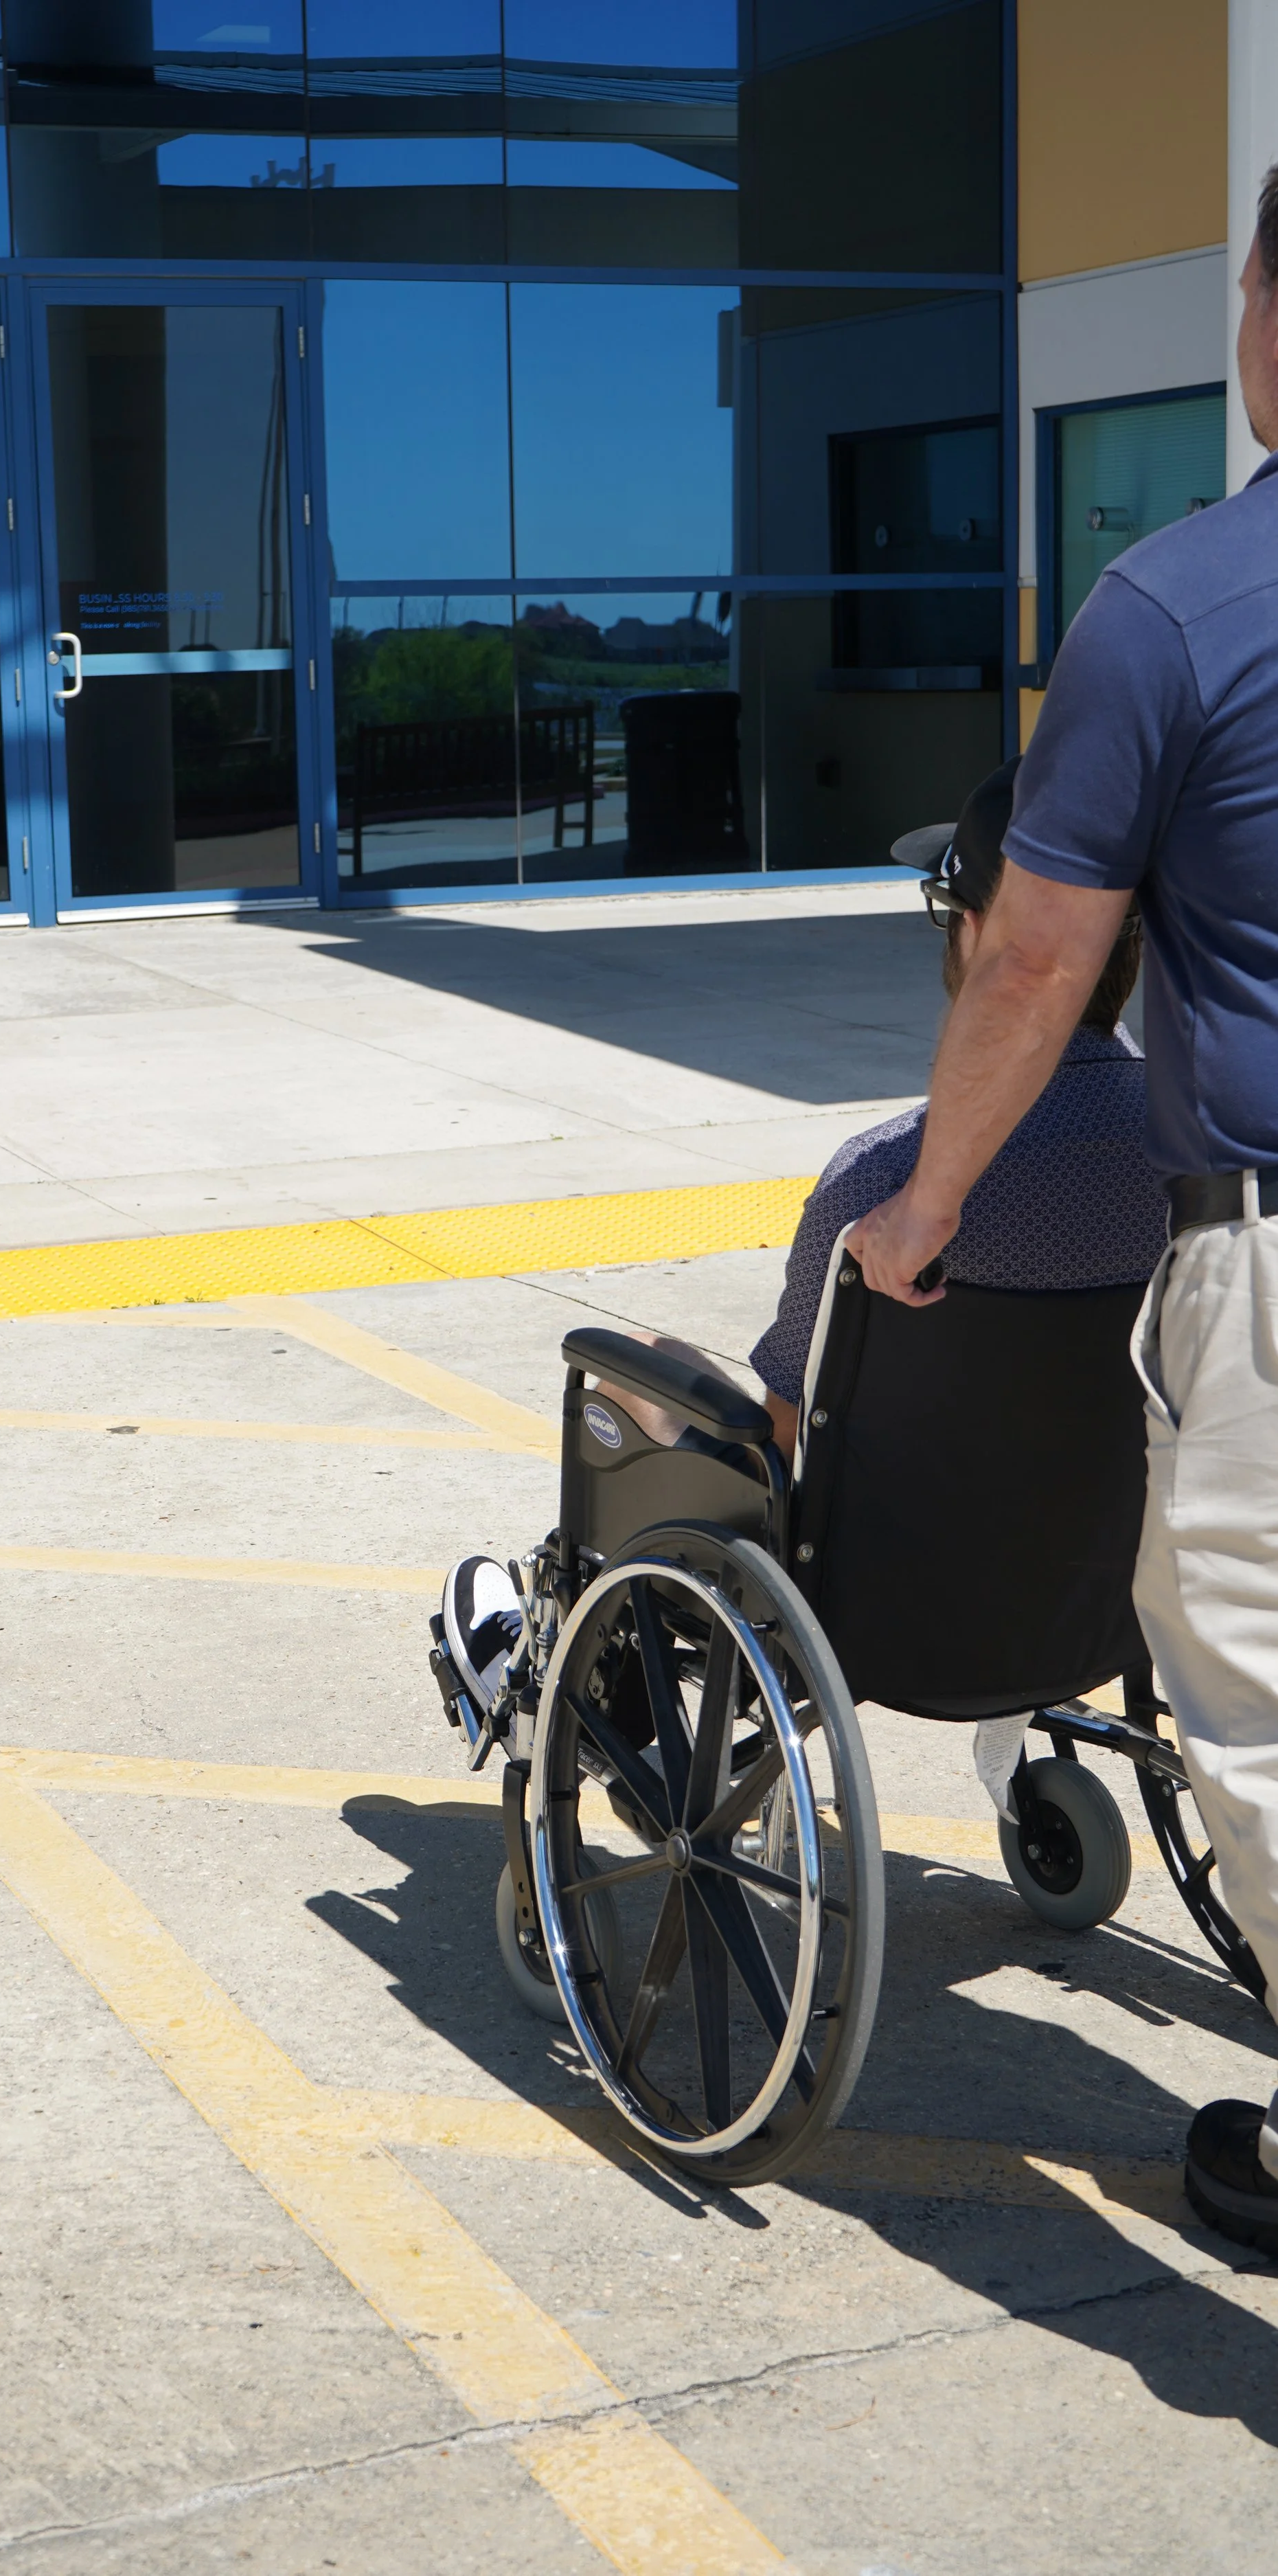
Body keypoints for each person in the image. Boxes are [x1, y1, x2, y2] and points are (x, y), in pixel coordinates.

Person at [847, 173, 1278, 2255]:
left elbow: (1031, 965)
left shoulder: (1176, 606)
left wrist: (927, 1209)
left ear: (1262, 318)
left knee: (1264, 1709)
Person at [441, 758, 1168, 1795]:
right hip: (1105, 1596)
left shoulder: (888, 1186)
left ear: (975, 935)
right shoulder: (1197, 1160)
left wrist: (656, 1373)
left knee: (622, 1380)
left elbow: (784, 1431)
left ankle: (559, 1667)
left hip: (879, 1617)